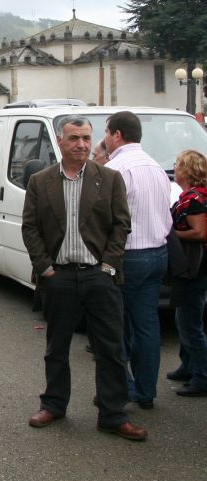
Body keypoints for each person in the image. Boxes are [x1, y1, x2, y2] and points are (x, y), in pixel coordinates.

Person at [22, 115, 148, 441]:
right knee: (57, 347)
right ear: (60, 142)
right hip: (59, 277)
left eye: (87, 138)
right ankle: (54, 405)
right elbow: (31, 228)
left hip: (98, 277)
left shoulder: (109, 179)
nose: (81, 144)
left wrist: (108, 267)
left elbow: (122, 226)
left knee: (110, 350)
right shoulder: (41, 181)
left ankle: (113, 414)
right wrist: (45, 267)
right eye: (74, 138)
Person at [105, 111, 172, 409]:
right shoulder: (156, 166)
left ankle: (123, 386)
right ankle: (146, 391)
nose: (105, 139)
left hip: (129, 255)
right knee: (147, 324)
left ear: (117, 134)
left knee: (114, 325)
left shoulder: (117, 168)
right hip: (158, 252)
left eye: (107, 133)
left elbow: (109, 218)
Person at [169, 149, 207, 397]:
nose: (175, 169)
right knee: (183, 316)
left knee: (190, 323)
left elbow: (200, 233)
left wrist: (171, 235)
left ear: (188, 171)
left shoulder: (194, 200)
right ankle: (188, 364)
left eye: (178, 165)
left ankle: (202, 376)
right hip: (191, 266)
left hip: (194, 266)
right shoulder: (192, 196)